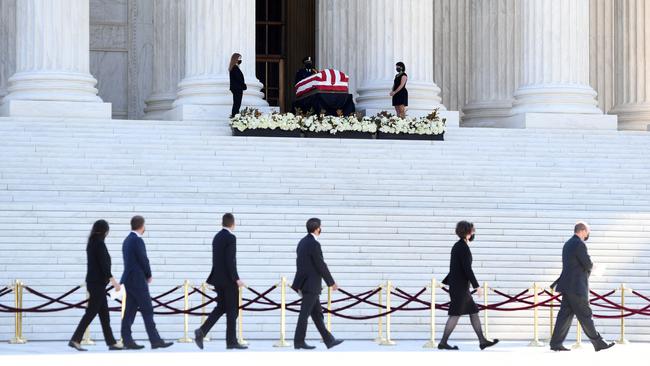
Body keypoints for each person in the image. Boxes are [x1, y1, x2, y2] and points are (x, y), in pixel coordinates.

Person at [549, 222, 615, 352]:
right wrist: (594, 267)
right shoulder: (579, 244)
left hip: (567, 286)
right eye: (588, 231)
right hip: (576, 287)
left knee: (564, 316)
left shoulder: (568, 243)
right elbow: (587, 264)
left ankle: (556, 343)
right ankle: (599, 343)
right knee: (586, 315)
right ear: (583, 230)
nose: (588, 234)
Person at [439, 221, 498, 351]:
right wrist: (477, 286)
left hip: (459, 286)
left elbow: (457, 268)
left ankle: (482, 341)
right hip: (460, 288)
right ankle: (443, 342)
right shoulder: (462, 247)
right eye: (472, 231)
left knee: (473, 311)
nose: (474, 233)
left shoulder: (459, 246)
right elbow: (467, 269)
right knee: (455, 314)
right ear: (467, 233)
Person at [194, 213, 247, 350]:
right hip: (229, 281)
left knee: (222, 307)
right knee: (232, 310)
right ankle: (231, 341)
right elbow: (230, 260)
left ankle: (202, 331)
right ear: (233, 224)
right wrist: (236, 278)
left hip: (218, 280)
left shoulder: (217, 237)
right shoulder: (231, 237)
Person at [120, 216, 173, 350]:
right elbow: (144, 259)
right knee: (147, 310)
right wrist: (148, 275)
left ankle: (127, 340)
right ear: (141, 226)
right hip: (138, 280)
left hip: (128, 280)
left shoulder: (126, 240)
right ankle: (155, 340)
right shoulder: (137, 240)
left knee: (130, 311)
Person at [68, 220, 123, 351]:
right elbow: (104, 264)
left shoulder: (92, 242)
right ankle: (75, 339)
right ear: (105, 231)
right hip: (97, 284)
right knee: (91, 312)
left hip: (94, 283)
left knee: (104, 315)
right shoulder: (99, 243)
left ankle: (111, 342)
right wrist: (114, 281)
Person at [291, 218, 344, 350]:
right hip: (311, 285)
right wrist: (331, 283)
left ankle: (329, 340)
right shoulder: (314, 244)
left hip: (305, 283)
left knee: (317, 314)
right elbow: (321, 265)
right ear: (317, 229)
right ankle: (299, 342)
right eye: (320, 227)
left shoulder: (302, 242)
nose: (321, 229)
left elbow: (301, 264)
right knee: (304, 314)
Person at [229, 53, 247, 118]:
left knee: (236, 104)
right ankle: (234, 117)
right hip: (237, 88)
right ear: (235, 59)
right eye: (239, 58)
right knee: (237, 104)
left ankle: (234, 116)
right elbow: (238, 78)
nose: (240, 60)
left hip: (236, 88)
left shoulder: (234, 67)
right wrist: (244, 85)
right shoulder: (235, 68)